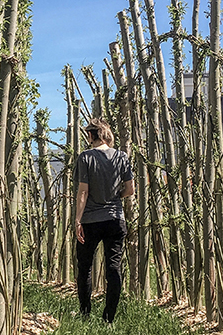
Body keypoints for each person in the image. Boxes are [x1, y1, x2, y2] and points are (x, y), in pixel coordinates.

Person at [74, 118, 134, 324]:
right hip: (115, 220)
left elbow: (83, 192)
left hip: (90, 220)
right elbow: (130, 189)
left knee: (85, 267)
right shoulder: (122, 157)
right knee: (113, 268)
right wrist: (115, 197)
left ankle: (85, 314)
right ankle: (109, 318)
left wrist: (77, 220)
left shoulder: (85, 157)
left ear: (91, 135)